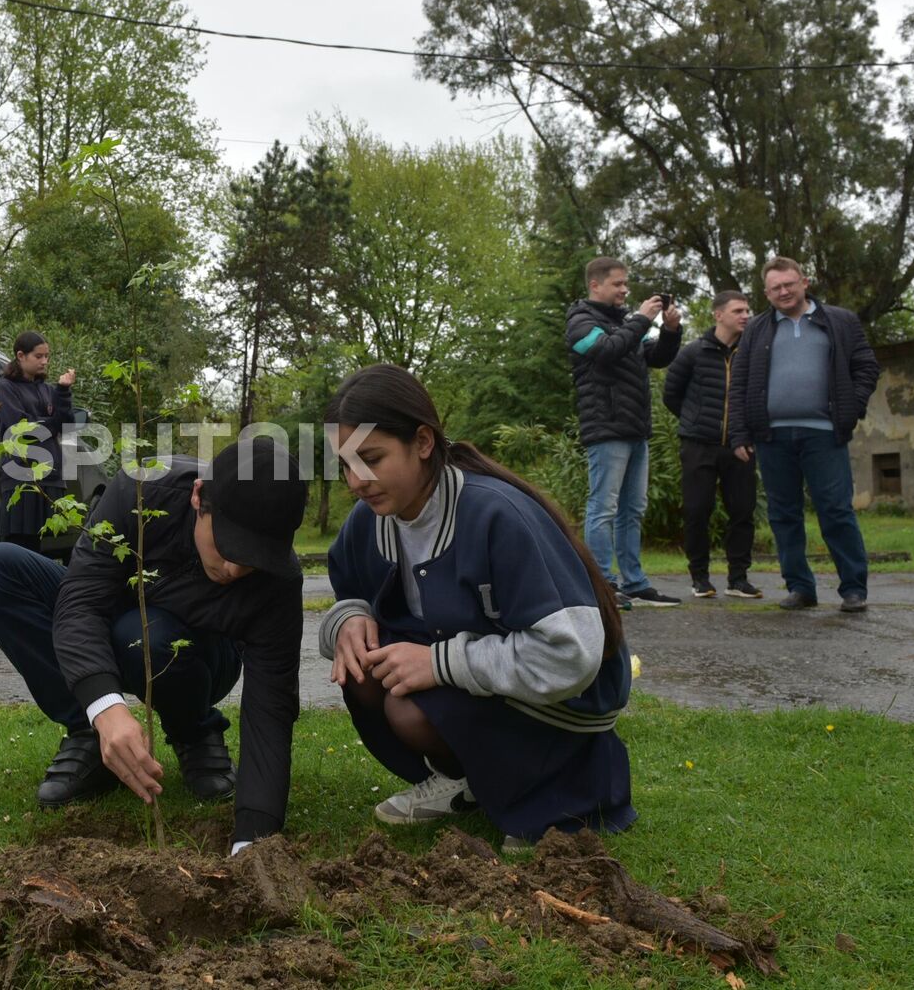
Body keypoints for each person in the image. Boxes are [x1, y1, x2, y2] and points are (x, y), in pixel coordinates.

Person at [320, 365, 635, 850]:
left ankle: (566, 797)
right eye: (345, 464)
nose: (356, 481)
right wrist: (347, 619)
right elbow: (348, 589)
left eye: (371, 458)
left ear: (423, 442)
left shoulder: (495, 514)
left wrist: (440, 663)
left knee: (407, 704)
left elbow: (572, 656)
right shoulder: (370, 521)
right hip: (489, 682)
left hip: (566, 700)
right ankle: (460, 781)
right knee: (363, 667)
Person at [0, 438, 308, 855]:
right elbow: (81, 599)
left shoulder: (279, 581)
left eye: (253, 558)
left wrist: (252, 837)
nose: (235, 569)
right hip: (118, 623)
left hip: (197, 655)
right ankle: (94, 736)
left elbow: (271, 706)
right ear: (199, 497)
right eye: (229, 546)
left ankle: (194, 731)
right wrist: (103, 706)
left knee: (146, 635)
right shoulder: (143, 490)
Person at [730, 258, 880, 613]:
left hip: (824, 434)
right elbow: (739, 383)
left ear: (804, 282)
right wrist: (739, 432)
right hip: (772, 437)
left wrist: (850, 407)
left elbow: (866, 367)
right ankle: (800, 587)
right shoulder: (756, 329)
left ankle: (854, 589)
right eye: (775, 288)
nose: (783, 292)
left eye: (789, 284)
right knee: (783, 514)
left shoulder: (840, 321)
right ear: (766, 293)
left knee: (836, 510)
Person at [566, 257, 683, 609]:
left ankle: (634, 583)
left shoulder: (625, 323)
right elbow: (605, 352)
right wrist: (641, 319)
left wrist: (671, 330)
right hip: (606, 429)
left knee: (632, 509)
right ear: (595, 286)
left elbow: (656, 357)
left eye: (625, 284)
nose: (624, 290)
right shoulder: (580, 322)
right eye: (618, 284)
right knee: (604, 507)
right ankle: (602, 583)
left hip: (635, 429)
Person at [662, 291, 762, 600]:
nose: (746, 315)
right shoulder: (692, 353)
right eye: (738, 310)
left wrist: (745, 434)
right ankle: (700, 579)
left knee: (743, 511)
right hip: (698, 446)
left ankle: (738, 579)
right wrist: (695, 423)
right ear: (718, 315)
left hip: (740, 446)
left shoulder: (753, 353)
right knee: (696, 511)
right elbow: (671, 395)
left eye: (747, 310)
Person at [0, 332, 76, 550]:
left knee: (47, 549)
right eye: (38, 356)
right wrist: (51, 422)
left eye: (47, 356)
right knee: (19, 548)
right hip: (21, 477)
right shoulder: (6, 387)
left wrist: (63, 391)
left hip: (50, 476)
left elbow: (66, 423)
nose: (45, 361)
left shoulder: (47, 390)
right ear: (21, 356)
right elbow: (19, 429)